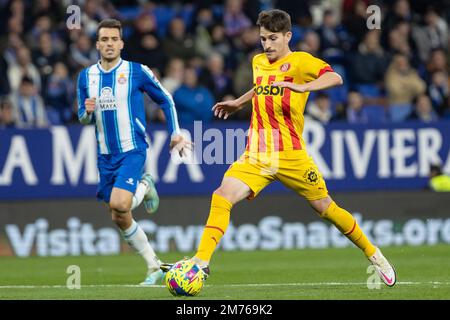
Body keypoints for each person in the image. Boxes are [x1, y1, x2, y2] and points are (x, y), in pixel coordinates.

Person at [162, 9, 396, 287]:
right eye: (263, 38)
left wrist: (303, 87)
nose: (267, 45)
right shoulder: (258, 61)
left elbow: (335, 78)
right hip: (257, 153)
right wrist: (239, 101)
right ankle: (201, 262)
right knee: (222, 195)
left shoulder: (300, 61)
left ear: (287, 36)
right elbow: (262, 87)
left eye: (273, 38)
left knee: (326, 208)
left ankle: (374, 254)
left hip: (291, 155)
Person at [77, 19, 192, 286]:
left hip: (133, 149)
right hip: (105, 155)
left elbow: (165, 98)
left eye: (113, 39)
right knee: (118, 215)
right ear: (97, 44)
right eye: (104, 39)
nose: (109, 44)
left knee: (120, 203)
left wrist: (175, 132)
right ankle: (154, 265)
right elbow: (83, 117)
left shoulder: (137, 71)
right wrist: (87, 112)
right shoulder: (86, 76)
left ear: (121, 43)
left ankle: (145, 183)